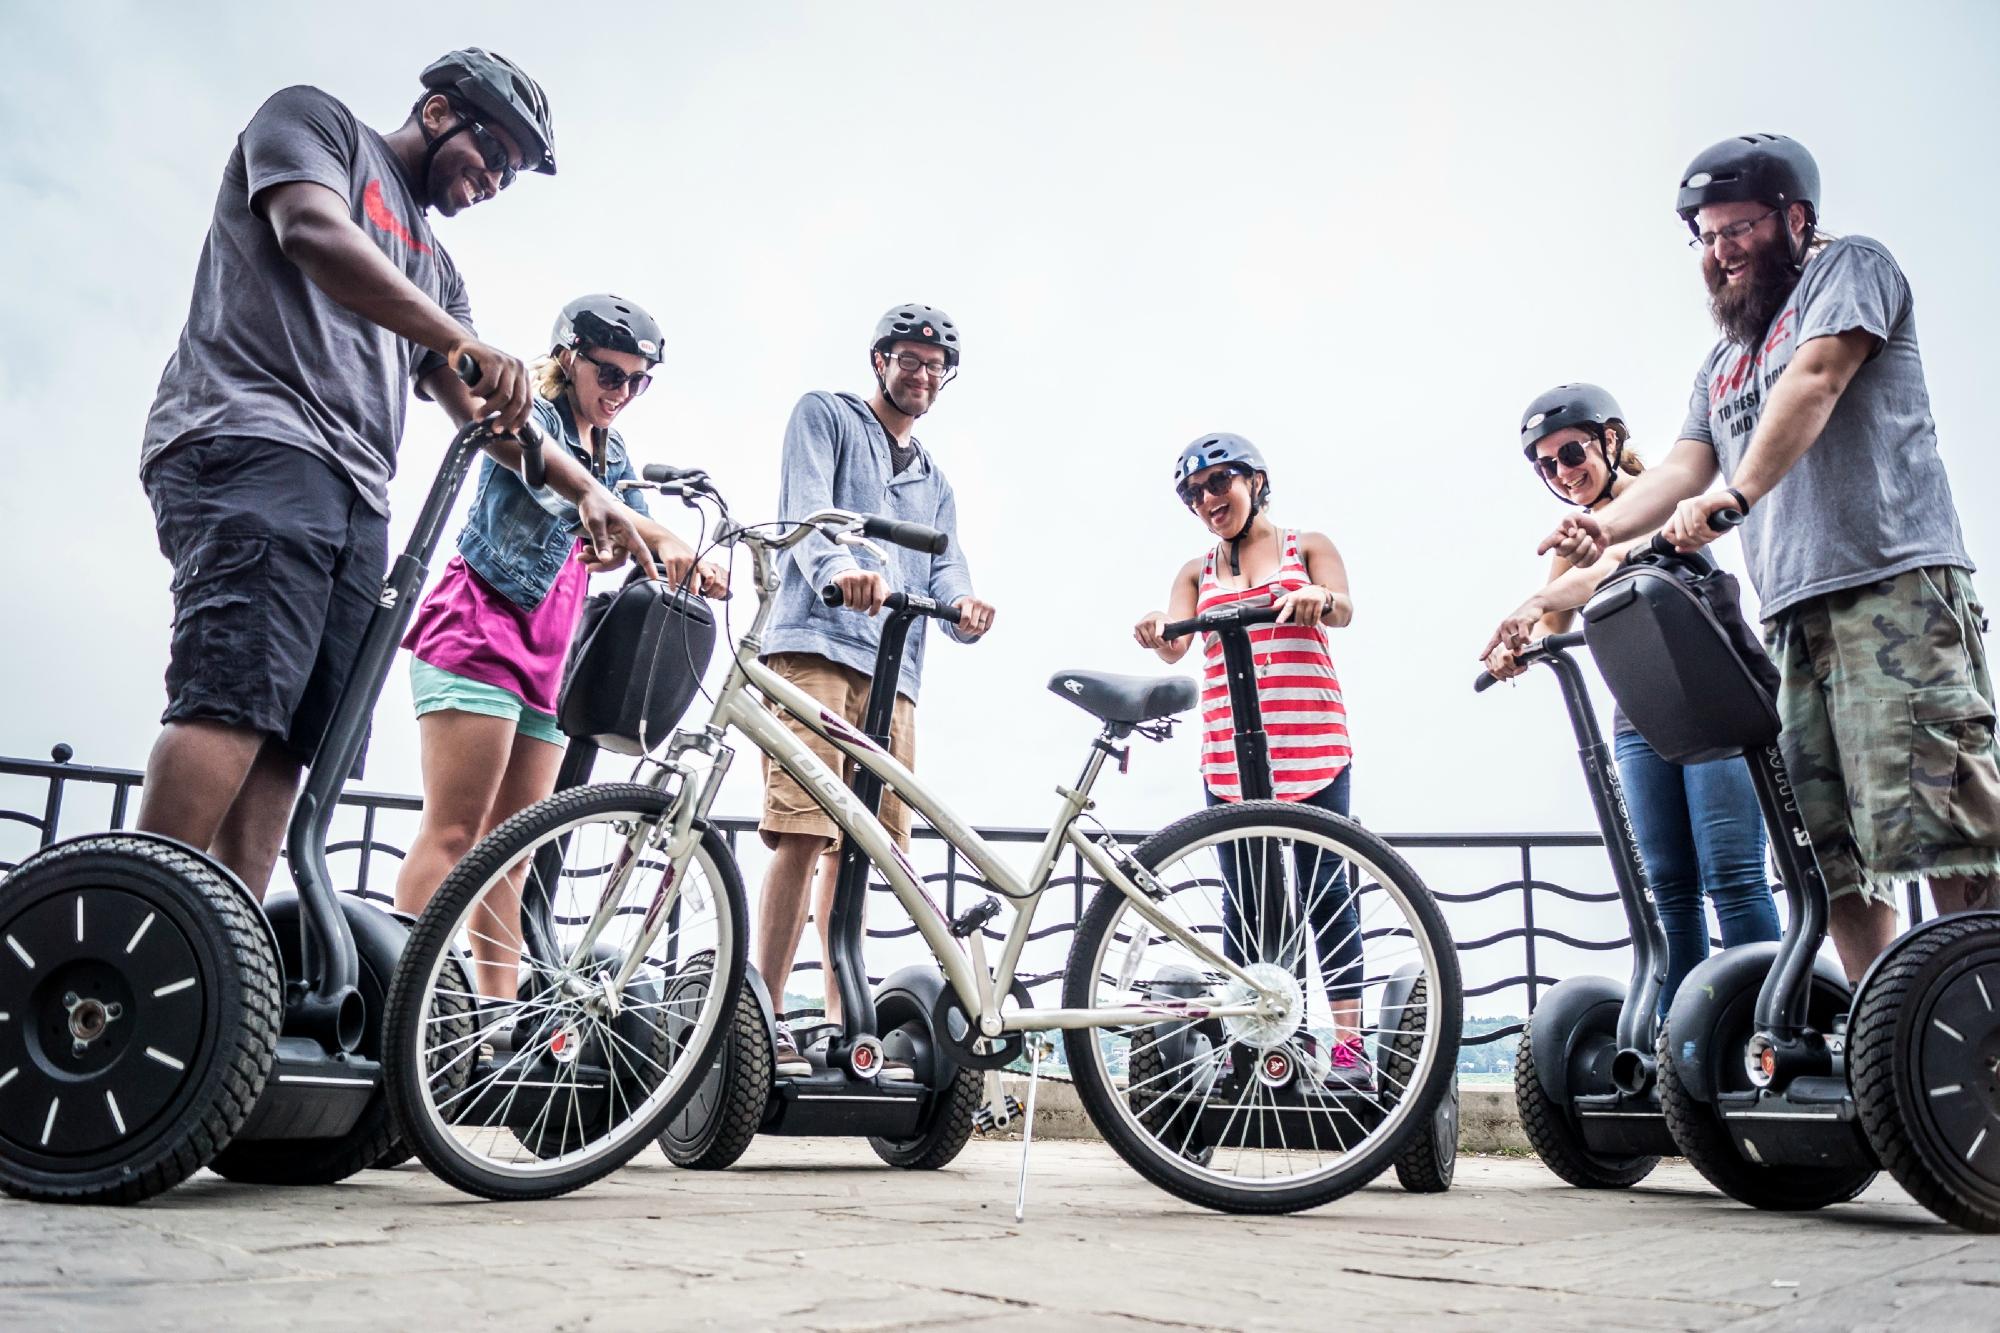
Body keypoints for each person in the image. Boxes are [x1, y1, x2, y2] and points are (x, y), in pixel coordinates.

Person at [136, 49, 656, 899]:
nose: (494, 182)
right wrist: (457, 341)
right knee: (234, 695)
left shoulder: (440, 274)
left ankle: (218, 961)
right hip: (256, 438)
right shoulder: (316, 124)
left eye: (513, 177)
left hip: (355, 493)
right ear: (442, 113)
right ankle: (133, 928)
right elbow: (311, 231)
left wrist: (588, 490)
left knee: (294, 737)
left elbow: (489, 415)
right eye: (494, 156)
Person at [1524, 134, 2000, 981]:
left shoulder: (1849, 270)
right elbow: (1678, 470)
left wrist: (1736, 497)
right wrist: (1606, 529)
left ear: (1795, 217)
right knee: (1831, 857)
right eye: (1705, 238)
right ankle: (1884, 1043)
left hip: (1894, 592)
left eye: (1737, 228)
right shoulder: (1724, 360)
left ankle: (1982, 1014)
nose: (1721, 251)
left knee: (1947, 826)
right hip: (1789, 624)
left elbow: (1814, 379)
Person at [392, 294, 728, 998]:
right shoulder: (530, 417)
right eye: (611, 376)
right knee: (455, 834)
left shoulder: (618, 451)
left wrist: (653, 554)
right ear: (569, 357)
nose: (623, 394)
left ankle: (492, 1023)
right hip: (482, 624)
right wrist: (653, 537)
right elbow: (543, 478)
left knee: (512, 855)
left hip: (553, 652)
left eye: (638, 381)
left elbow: (619, 530)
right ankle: (396, 998)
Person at [1481, 385, 1780, 1012]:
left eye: (1570, 453)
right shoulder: (1574, 538)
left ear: (1610, 442)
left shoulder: (1661, 507)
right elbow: (1553, 625)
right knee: (1667, 890)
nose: (1562, 473)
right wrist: (1519, 640)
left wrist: (1538, 604)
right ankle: (1683, 1039)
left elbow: (1615, 561)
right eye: (1546, 465)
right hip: (1640, 723)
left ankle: (1765, 1026)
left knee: (1733, 877)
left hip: (1715, 709)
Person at [755, 304, 996, 1078]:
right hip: (817, 644)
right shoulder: (825, 416)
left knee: (870, 844)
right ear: (879, 360)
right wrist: (837, 572)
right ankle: (759, 1010)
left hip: (895, 669)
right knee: (803, 827)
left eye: (936, 366)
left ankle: (836, 1017)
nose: (923, 375)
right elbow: (806, 512)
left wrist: (965, 606)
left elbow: (945, 563)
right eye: (911, 359)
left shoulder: (935, 479)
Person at [1132, 433, 1367, 1084]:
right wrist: (1156, 627)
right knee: (1251, 907)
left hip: (1312, 745)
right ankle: (1258, 1044)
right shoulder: (1194, 572)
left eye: (1219, 483)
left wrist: (1319, 598)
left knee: (1328, 897)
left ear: (1255, 481)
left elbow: (1344, 608)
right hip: (1231, 760)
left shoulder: (1307, 545)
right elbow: (1174, 646)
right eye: (1194, 492)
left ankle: (1349, 1049)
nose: (1208, 499)